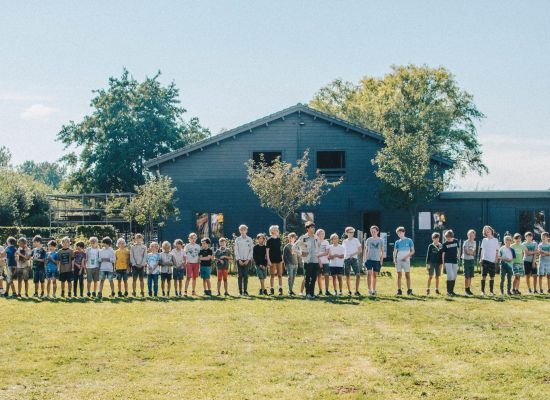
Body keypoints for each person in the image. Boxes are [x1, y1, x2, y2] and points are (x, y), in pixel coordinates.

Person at [300, 221, 319, 299]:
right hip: (307, 261)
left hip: (315, 260)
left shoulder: (316, 237)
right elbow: (298, 247)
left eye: (314, 227)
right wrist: (301, 253)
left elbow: (318, 247)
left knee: (314, 278)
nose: (313, 229)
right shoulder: (303, 238)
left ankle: (312, 293)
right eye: (311, 227)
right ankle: (307, 293)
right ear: (307, 228)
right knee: (307, 278)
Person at [393, 227, 415, 296]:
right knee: (399, 275)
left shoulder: (409, 240)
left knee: (407, 275)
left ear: (404, 232)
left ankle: (409, 290)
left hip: (406, 260)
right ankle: (399, 290)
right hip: (398, 260)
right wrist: (394, 259)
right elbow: (395, 251)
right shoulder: (397, 242)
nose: (399, 234)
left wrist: (406, 257)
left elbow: (413, 251)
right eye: (398, 233)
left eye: (400, 232)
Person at [364, 225, 384, 296]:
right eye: (371, 231)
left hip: (377, 260)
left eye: (374, 231)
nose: (373, 233)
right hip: (369, 259)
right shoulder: (368, 240)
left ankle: (374, 290)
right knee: (369, 274)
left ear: (377, 232)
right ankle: (369, 290)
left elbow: (382, 250)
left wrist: (381, 260)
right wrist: (365, 259)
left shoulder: (380, 240)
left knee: (375, 275)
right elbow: (366, 250)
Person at [234, 224, 253, 296]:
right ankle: (240, 291)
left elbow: (251, 250)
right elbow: (236, 250)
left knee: (245, 275)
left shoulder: (249, 239)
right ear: (239, 231)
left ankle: (245, 291)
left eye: (244, 230)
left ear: (246, 230)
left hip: (247, 260)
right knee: (239, 276)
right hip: (239, 260)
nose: (243, 231)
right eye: (241, 230)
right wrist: (239, 259)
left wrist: (248, 259)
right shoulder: (237, 239)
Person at [480, 225, 499, 296]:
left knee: (492, 276)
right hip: (485, 260)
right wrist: (481, 258)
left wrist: (496, 258)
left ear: (491, 230)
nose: (487, 231)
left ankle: (491, 291)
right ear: (484, 232)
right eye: (485, 230)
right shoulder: (484, 240)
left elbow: (497, 250)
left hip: (492, 261)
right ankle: (482, 291)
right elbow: (482, 250)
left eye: (488, 229)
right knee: (483, 275)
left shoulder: (495, 240)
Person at [343, 227, 362, 297]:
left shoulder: (356, 240)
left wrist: (353, 254)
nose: (352, 234)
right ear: (346, 233)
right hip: (346, 260)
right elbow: (343, 251)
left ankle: (356, 291)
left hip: (354, 259)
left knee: (358, 275)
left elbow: (360, 250)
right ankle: (349, 291)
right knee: (347, 276)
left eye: (353, 232)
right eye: (350, 232)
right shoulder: (344, 241)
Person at [441, 230, 460, 296]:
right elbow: (443, 254)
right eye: (446, 237)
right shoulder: (445, 244)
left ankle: (452, 291)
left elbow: (458, 249)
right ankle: (448, 292)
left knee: (454, 276)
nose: (447, 238)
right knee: (450, 276)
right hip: (447, 261)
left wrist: (458, 255)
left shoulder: (456, 241)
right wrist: (443, 264)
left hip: (455, 261)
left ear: (452, 236)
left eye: (448, 237)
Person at [266, 225, 284, 296]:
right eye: (276, 229)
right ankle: (272, 289)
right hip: (272, 260)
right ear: (272, 231)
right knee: (272, 275)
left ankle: (280, 289)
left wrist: (282, 258)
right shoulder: (269, 240)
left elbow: (280, 250)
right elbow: (267, 251)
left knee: (280, 275)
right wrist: (268, 260)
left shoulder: (279, 239)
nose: (278, 231)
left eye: (277, 229)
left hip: (279, 259)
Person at [462, 230, 477, 296]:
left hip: (471, 260)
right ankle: (466, 289)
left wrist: (471, 253)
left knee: (470, 276)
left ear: (474, 236)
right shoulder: (465, 242)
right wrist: (471, 253)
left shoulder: (474, 242)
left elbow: (474, 251)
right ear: (468, 236)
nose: (471, 236)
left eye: (472, 235)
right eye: (470, 235)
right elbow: (466, 251)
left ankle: (469, 289)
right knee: (467, 276)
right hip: (466, 260)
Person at [317, 229, 331, 296]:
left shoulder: (326, 242)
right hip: (318, 262)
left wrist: (319, 255)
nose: (321, 235)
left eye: (323, 234)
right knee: (319, 276)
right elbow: (315, 253)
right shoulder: (316, 242)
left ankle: (327, 290)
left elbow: (327, 252)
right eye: (320, 234)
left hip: (325, 262)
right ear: (317, 235)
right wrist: (319, 259)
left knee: (326, 276)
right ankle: (320, 290)